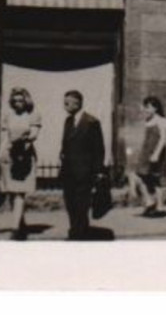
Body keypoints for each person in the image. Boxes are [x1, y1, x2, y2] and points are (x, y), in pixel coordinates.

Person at [59, 90, 106, 240]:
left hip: (85, 172)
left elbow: (99, 149)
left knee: (82, 205)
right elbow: (65, 144)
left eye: (67, 102)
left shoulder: (92, 122)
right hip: (68, 172)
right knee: (70, 203)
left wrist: (98, 171)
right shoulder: (67, 121)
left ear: (77, 103)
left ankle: (79, 233)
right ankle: (76, 229)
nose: (65, 105)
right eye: (64, 102)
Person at [0, 87, 42, 240]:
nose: (18, 103)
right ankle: (21, 225)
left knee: (20, 192)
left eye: (20, 100)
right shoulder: (7, 115)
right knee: (11, 192)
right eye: (15, 100)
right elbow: (4, 138)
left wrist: (22, 144)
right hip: (8, 156)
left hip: (24, 156)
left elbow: (34, 135)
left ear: (26, 100)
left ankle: (15, 229)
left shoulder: (33, 115)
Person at [128, 96, 166, 218]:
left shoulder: (162, 121)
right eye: (145, 106)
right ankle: (152, 203)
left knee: (151, 179)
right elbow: (141, 113)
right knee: (144, 177)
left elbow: (163, 139)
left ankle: (155, 204)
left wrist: (156, 153)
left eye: (148, 107)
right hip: (146, 152)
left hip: (156, 152)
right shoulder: (148, 120)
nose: (146, 109)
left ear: (155, 108)